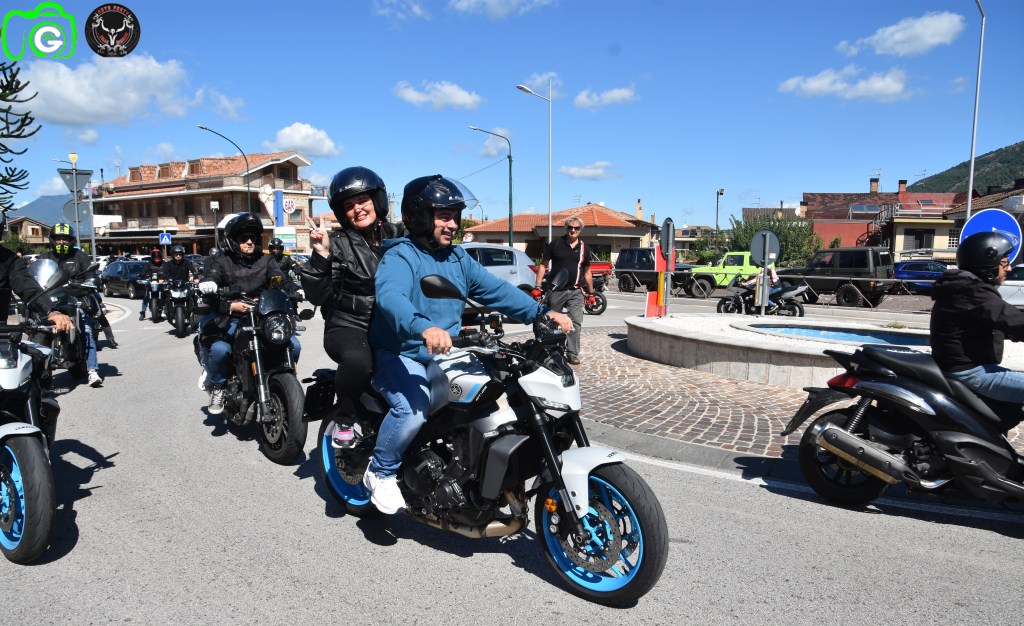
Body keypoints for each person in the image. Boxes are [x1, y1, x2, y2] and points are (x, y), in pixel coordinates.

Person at [363, 175, 573, 514]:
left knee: (497, 398)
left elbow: (495, 290)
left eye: (455, 217)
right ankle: (381, 471)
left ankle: (476, 477)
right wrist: (424, 328)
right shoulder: (401, 256)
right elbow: (392, 299)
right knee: (413, 410)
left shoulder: (457, 258)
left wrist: (540, 313)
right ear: (420, 217)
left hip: (446, 352)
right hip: (402, 351)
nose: (452, 224)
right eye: (444, 216)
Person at [299, 166, 404, 446]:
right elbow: (317, 295)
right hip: (349, 326)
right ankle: (344, 418)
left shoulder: (399, 234)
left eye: (362, 200)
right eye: (349, 206)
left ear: (377, 201)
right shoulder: (338, 244)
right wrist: (321, 255)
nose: (357, 209)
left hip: (391, 324)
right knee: (359, 361)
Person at [197, 212, 301, 415]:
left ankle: (285, 380)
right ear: (233, 241)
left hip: (262, 316)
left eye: (253, 238)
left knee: (294, 344)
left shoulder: (266, 260)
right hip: (233, 317)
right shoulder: (223, 262)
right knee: (220, 350)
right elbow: (212, 277)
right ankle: (219, 386)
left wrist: (296, 289)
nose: (249, 242)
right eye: (244, 238)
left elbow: (279, 279)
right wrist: (214, 289)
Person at [930, 230, 1024, 403]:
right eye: (1005, 262)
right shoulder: (973, 291)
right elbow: (1013, 320)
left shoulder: (962, 287)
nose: (1009, 268)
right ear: (989, 261)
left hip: (961, 367)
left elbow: (1000, 322)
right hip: (970, 372)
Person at [38, 223, 104, 386]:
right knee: (35, 326)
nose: (61, 242)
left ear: (71, 240)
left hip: (75, 300)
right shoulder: (45, 257)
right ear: (52, 240)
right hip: (51, 302)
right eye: (58, 238)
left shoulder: (80, 256)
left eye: (65, 239)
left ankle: (92, 370)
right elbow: (36, 275)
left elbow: (91, 274)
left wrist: (90, 281)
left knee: (86, 329)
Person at [534, 215, 594, 365]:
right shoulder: (556, 244)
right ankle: (553, 350)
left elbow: (587, 272)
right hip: (556, 289)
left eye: (576, 228)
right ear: (567, 228)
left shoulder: (584, 248)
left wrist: (591, 293)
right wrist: (537, 287)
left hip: (576, 290)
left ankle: (572, 353)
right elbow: (543, 265)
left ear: (580, 229)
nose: (573, 230)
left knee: (576, 322)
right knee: (553, 321)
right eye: (570, 227)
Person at [139, 248, 165, 320]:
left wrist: (166, 277)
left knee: (167, 293)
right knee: (146, 296)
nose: (157, 259)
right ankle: (143, 312)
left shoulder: (164, 263)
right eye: (155, 257)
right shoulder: (148, 264)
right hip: (151, 281)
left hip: (161, 281)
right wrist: (142, 275)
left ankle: (166, 310)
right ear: (152, 257)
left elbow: (168, 271)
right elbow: (143, 272)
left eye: (158, 257)